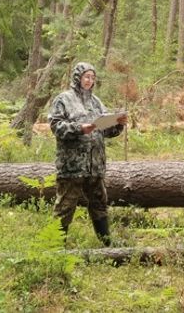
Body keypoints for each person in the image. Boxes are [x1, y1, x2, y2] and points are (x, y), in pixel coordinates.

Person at [47, 61, 126, 246]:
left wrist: (118, 124)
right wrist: (79, 128)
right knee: (65, 206)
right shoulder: (64, 99)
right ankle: (54, 248)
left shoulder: (96, 102)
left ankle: (107, 245)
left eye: (92, 77)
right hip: (72, 165)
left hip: (95, 165)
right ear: (78, 77)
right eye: (86, 77)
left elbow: (105, 131)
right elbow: (56, 126)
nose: (89, 80)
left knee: (99, 203)